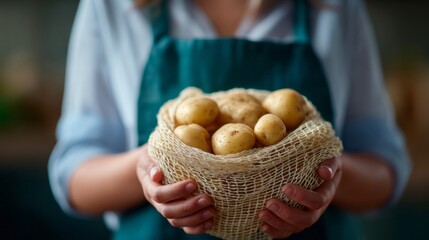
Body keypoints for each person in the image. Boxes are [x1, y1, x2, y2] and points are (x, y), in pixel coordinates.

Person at [48, 0, 411, 239]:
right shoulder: (112, 7)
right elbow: (73, 173)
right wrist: (147, 167)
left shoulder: (336, 8)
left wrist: (321, 172)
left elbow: (386, 168)